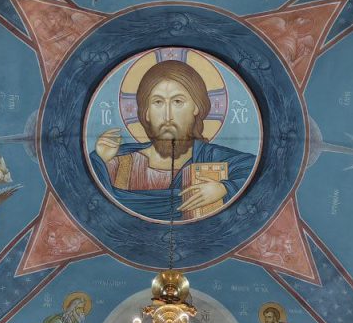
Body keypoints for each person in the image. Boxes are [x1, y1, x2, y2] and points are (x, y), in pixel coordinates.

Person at [90, 60, 256, 220]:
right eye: (158, 102)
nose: (167, 115)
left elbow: (255, 172)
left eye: (177, 101)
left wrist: (225, 188)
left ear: (196, 107)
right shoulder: (117, 164)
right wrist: (99, 159)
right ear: (146, 112)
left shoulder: (218, 160)